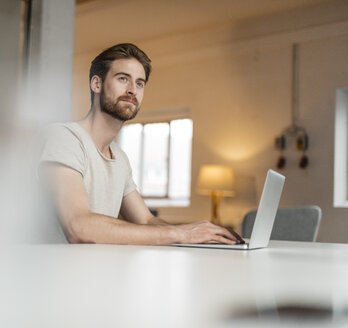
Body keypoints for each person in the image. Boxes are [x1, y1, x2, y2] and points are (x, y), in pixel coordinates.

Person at [39, 43, 242, 245]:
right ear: (96, 84)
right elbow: (79, 226)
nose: (132, 90)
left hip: (95, 273)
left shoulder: (119, 158)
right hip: (54, 275)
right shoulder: (65, 138)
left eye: (139, 83)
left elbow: (146, 220)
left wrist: (198, 231)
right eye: (122, 79)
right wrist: (181, 235)